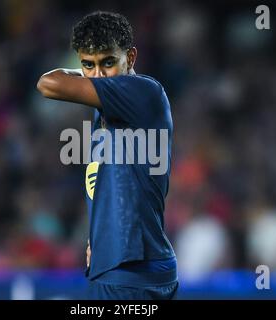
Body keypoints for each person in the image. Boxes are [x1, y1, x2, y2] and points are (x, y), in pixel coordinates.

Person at [37, 11, 178, 300]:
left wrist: (83, 78)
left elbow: (48, 83)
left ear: (132, 57)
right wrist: (99, 239)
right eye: (88, 65)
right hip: (121, 266)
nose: (99, 74)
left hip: (130, 274)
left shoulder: (140, 92)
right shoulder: (108, 108)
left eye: (108, 62)